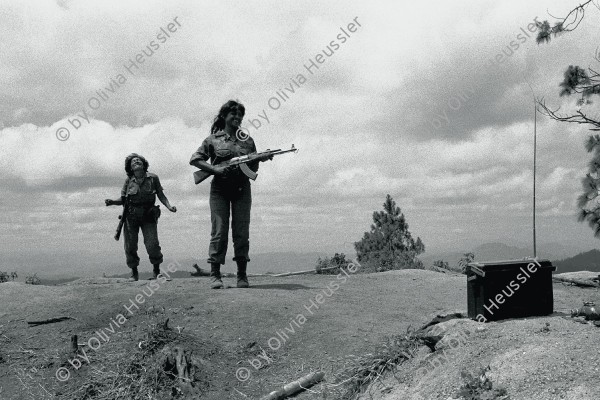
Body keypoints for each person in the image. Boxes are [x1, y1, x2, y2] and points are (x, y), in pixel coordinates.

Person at [190, 100, 272, 289]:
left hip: (242, 189)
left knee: (241, 232)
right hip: (219, 190)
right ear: (224, 116)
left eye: (240, 115)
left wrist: (260, 158)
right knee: (219, 232)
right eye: (233, 114)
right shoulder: (213, 139)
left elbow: (253, 168)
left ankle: (242, 275)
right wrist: (215, 169)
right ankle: (215, 275)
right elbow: (195, 159)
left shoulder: (247, 141)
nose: (237, 118)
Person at [105, 153, 177, 281]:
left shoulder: (153, 178)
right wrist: (112, 202)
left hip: (149, 215)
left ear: (144, 164)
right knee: (130, 245)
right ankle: (134, 273)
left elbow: (161, 195)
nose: (136, 162)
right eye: (133, 162)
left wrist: (169, 207)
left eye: (139, 160)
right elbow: (123, 199)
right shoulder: (129, 181)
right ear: (130, 168)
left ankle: (156, 272)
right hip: (131, 216)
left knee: (152, 243)